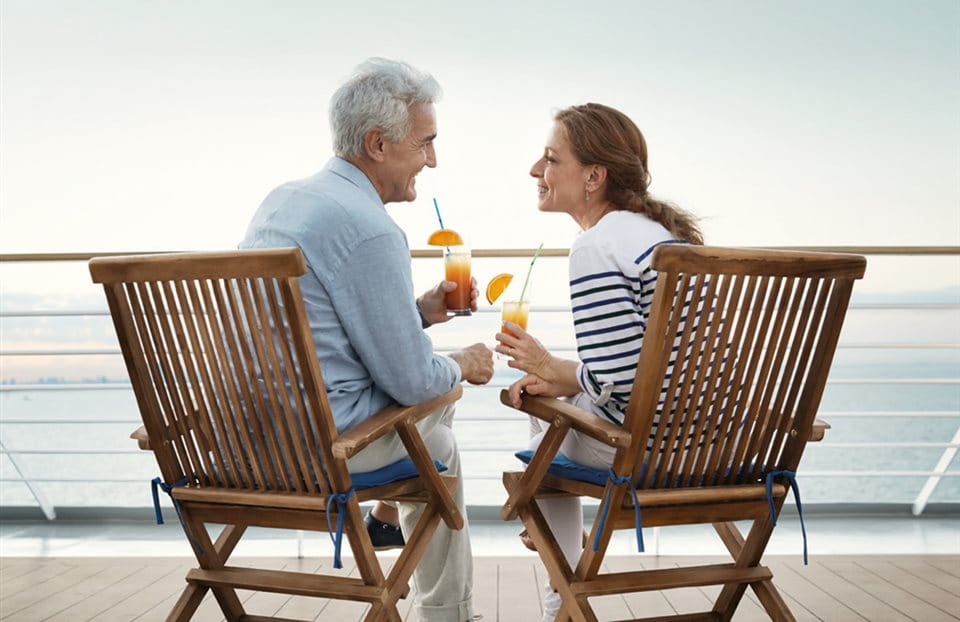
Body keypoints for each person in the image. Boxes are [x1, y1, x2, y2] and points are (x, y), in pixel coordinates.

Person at [240, 57, 493, 622]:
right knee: (440, 433)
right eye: (425, 143)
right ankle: (446, 614)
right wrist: (465, 362)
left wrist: (417, 315)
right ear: (378, 144)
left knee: (429, 412)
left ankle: (384, 517)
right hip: (329, 447)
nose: (433, 159)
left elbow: (319, 330)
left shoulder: (283, 201)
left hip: (253, 438)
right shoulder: (373, 229)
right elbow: (411, 380)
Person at [495, 103, 703, 622]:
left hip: (651, 453)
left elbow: (619, 384)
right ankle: (563, 566)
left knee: (543, 432)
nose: (534, 171)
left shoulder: (596, 247)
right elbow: (638, 370)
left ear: (593, 176)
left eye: (549, 158)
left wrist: (560, 385)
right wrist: (556, 373)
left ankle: (559, 598)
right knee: (549, 401)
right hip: (711, 444)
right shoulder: (659, 237)